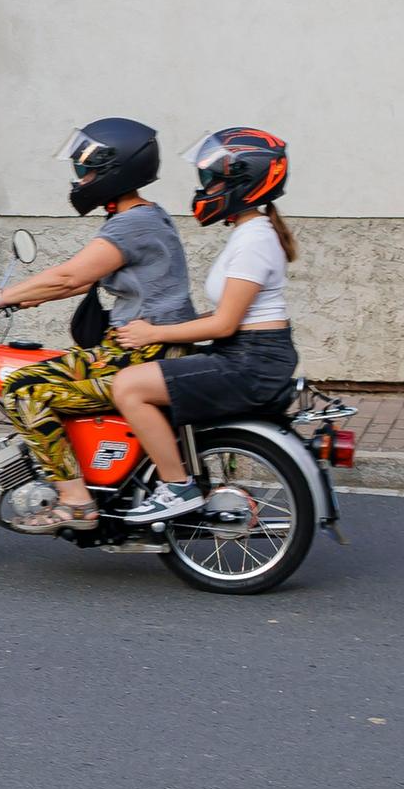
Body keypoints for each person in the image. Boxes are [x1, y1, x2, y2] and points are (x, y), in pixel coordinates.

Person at [0, 117, 195, 534]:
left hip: (138, 352)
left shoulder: (132, 224)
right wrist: (29, 296)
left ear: (115, 169)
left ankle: (75, 502)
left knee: (24, 388)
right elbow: (82, 279)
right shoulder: (147, 216)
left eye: (86, 169)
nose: (81, 179)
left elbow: (71, 276)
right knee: (54, 368)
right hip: (141, 348)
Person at [109, 127, 299, 521]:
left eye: (213, 177)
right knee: (149, 377)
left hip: (251, 363)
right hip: (248, 356)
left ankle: (177, 487)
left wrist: (153, 333)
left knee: (129, 387)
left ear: (243, 181)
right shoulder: (251, 232)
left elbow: (225, 323)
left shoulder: (255, 240)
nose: (206, 186)